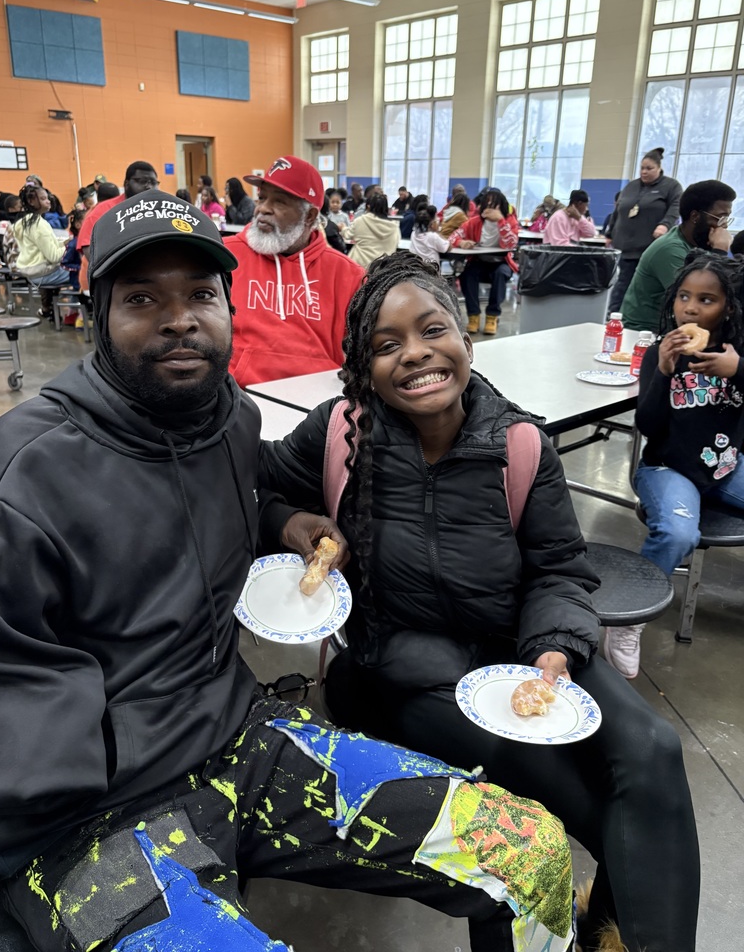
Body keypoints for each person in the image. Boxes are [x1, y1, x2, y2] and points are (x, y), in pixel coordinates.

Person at [0, 195, 575, 952]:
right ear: (98, 317)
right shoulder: (21, 475)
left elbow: (215, 503)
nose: (179, 319)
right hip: (82, 818)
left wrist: (284, 521)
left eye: (200, 295)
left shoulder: (228, 416)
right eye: (141, 299)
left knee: (527, 850)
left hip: (234, 734)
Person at [259, 253, 701, 952]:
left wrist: (554, 650)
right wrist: (292, 523)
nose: (415, 356)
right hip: (412, 671)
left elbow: (559, 568)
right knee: (580, 801)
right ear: (362, 366)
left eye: (432, 331)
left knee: (651, 750)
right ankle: (611, 927)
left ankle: (623, 937)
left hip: (522, 646)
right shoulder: (342, 432)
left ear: (465, 336)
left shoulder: (520, 443)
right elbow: (257, 485)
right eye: (385, 345)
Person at [604, 254, 744, 679]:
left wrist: (737, 370)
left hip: (725, 465)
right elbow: (647, 425)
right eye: (684, 297)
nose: (691, 308)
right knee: (679, 532)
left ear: (729, 307)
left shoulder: (737, 354)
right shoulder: (661, 352)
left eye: (706, 299)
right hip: (668, 468)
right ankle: (628, 623)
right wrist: (663, 372)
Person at [223, 155, 364, 387]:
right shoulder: (225, 257)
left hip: (317, 404)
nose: (263, 209)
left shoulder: (349, 275)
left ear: (309, 216)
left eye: (279, 202)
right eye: (262, 198)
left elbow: (361, 355)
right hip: (238, 399)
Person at [621, 180, 736, 333]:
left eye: (726, 219)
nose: (724, 226)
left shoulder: (694, 244)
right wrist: (720, 250)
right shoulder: (670, 249)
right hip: (643, 334)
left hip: (671, 329)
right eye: (720, 218)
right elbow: (708, 292)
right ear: (695, 216)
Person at [605, 148, 683, 313]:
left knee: (645, 287)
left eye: (649, 168)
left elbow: (676, 207)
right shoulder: (631, 186)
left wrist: (665, 224)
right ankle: (613, 317)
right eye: (642, 168)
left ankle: (638, 317)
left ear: (659, 168)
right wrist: (609, 234)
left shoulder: (671, 186)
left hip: (650, 247)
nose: (644, 172)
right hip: (626, 247)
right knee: (622, 284)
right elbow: (618, 210)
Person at [75, 161, 159, 290]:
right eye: (142, 181)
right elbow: (89, 249)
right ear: (126, 184)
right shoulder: (104, 210)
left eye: (154, 183)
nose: (149, 187)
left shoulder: (160, 210)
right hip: (107, 280)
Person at [451, 188, 519, 335]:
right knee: (467, 275)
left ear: (501, 206)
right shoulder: (474, 222)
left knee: (500, 274)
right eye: (486, 204)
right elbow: (453, 237)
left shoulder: (510, 222)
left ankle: (492, 316)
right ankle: (473, 316)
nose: (489, 208)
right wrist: (461, 242)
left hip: (501, 263)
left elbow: (511, 244)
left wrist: (500, 221)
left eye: (493, 205)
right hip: (479, 262)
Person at [11, 183, 71, 317]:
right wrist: (68, 248)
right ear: (32, 201)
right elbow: (54, 257)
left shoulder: (24, 222)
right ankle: (81, 313)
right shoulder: (39, 225)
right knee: (82, 272)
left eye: (47, 198)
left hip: (31, 271)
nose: (48, 201)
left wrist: (63, 243)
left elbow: (41, 247)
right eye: (43, 199)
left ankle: (48, 308)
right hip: (44, 274)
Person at [346, 192, 401, 269]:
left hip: (359, 266)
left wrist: (342, 229)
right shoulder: (394, 227)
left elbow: (347, 235)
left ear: (368, 207)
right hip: (382, 269)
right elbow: (396, 243)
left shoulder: (360, 220)